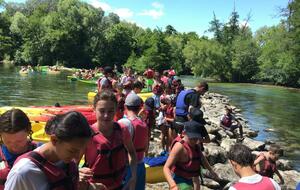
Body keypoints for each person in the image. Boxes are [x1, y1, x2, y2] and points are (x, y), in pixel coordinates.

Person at [5, 111, 93, 190]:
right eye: (72, 151)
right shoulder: (22, 172)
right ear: (54, 140)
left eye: (81, 150)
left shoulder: (69, 163)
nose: (77, 157)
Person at [80, 90, 137, 190]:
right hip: (95, 187)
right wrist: (78, 172)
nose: (106, 115)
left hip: (119, 185)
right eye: (102, 111)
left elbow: (132, 153)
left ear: (116, 110)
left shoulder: (122, 129)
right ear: (94, 109)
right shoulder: (87, 135)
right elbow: (71, 164)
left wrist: (133, 175)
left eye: (110, 111)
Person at [163, 120, 218, 190]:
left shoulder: (196, 145)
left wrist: (211, 170)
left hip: (189, 180)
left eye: (196, 138)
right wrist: (173, 185)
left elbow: (202, 158)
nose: (194, 141)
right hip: (178, 180)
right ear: (184, 133)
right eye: (192, 138)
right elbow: (166, 168)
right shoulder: (179, 147)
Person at [0, 109, 39, 190]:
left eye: (19, 141)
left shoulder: (41, 152)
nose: (14, 146)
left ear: (28, 131)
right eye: (8, 142)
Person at [118, 93, 148, 190]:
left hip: (128, 168)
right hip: (140, 166)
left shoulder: (124, 123)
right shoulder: (143, 123)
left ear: (125, 106)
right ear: (139, 107)